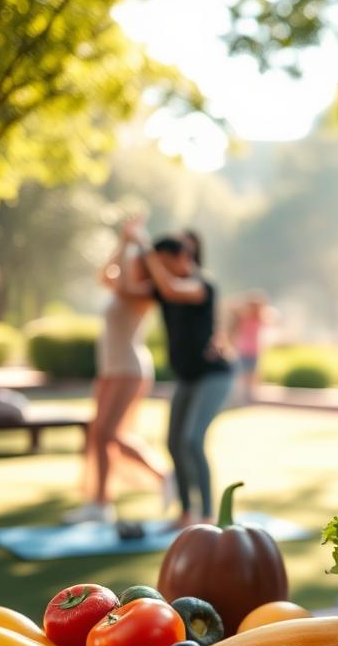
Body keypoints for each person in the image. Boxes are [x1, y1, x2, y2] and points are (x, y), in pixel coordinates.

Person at [126, 227, 234, 529]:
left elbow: (173, 287)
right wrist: (126, 244)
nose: (155, 267)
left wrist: (145, 246)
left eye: (161, 260)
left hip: (214, 375)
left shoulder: (202, 285)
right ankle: (187, 514)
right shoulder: (163, 290)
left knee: (192, 440)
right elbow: (122, 286)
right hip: (187, 377)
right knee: (173, 442)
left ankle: (210, 516)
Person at [64, 216, 170, 524]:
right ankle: (100, 503)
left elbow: (120, 283)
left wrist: (137, 243)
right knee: (98, 434)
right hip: (112, 368)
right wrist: (124, 242)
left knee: (111, 433)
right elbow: (104, 275)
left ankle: (164, 475)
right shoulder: (125, 286)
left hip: (129, 367)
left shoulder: (145, 293)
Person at [229, 291, 276, 405]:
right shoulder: (243, 318)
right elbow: (232, 307)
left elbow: (273, 318)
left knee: (252, 375)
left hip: (254, 351)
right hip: (243, 350)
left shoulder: (260, 319)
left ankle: (249, 397)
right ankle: (240, 398)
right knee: (242, 375)